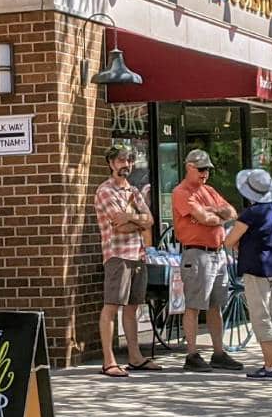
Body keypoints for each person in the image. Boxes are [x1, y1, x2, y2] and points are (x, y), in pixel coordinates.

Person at [172, 150, 243, 372]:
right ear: (189, 167)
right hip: (196, 253)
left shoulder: (209, 191)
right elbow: (203, 218)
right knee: (194, 305)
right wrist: (213, 216)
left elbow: (231, 212)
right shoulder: (181, 192)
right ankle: (192, 354)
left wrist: (212, 212)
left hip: (217, 253)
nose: (205, 174)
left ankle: (218, 352)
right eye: (201, 169)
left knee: (216, 305)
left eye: (207, 169)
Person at [93, 143, 160, 377]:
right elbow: (118, 228)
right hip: (117, 256)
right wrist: (137, 222)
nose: (126, 165)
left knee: (132, 308)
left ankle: (135, 357)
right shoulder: (105, 191)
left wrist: (131, 218)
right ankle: (109, 361)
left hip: (138, 255)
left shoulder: (132, 191)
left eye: (129, 160)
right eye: (121, 160)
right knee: (111, 306)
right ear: (111, 163)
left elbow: (149, 220)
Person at [224, 169, 272, 381]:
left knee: (260, 317)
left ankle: (269, 366)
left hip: (256, 268)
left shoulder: (251, 213)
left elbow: (229, 240)